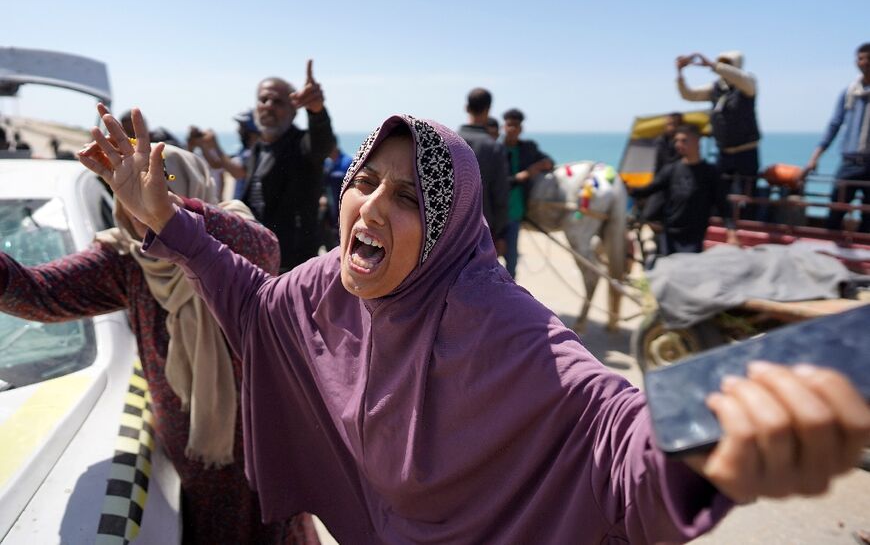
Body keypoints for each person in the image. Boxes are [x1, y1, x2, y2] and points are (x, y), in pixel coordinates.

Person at [81, 107, 870, 544]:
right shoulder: (330, 284)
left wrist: (712, 419)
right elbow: (254, 304)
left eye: (410, 200)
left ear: (452, 226)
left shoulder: (490, 316)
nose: (373, 208)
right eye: (367, 182)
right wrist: (168, 224)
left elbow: (607, 423)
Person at [0, 119, 318, 544]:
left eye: (162, 183)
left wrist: (168, 213)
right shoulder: (127, 261)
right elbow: (38, 294)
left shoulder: (232, 234)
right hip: (197, 458)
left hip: (266, 444)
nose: (142, 204)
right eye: (135, 191)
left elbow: (266, 252)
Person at [240, 61, 335, 273]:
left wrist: (317, 112)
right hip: (257, 258)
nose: (268, 105)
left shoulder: (301, 145)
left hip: (292, 265)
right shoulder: (257, 150)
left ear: (294, 110)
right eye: (263, 99)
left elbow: (321, 144)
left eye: (278, 101)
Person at [629, 125, 739, 256]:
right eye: (676, 140)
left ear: (697, 141)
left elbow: (723, 206)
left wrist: (731, 234)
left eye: (684, 140)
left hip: (694, 237)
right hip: (669, 235)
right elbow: (648, 190)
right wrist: (628, 189)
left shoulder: (710, 173)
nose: (678, 144)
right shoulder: (670, 170)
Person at [676, 51, 761, 203]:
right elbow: (689, 95)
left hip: (746, 152)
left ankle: (747, 221)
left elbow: (740, 78)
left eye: (727, 64)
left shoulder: (748, 84)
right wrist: (680, 73)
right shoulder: (716, 88)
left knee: (748, 195)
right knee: (720, 192)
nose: (723, 68)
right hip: (724, 152)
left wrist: (712, 65)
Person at [804, 42, 870, 233]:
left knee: (868, 217)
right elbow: (834, 125)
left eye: (868, 59)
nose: (864, 63)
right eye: (860, 58)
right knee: (836, 208)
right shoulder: (850, 92)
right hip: (849, 161)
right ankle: (829, 251)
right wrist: (814, 158)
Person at [501, 107, 554, 277]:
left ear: (521, 128)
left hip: (515, 213)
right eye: (509, 125)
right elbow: (496, 183)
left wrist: (538, 167)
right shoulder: (495, 149)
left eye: (515, 125)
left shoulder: (528, 148)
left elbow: (549, 162)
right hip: (494, 213)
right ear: (504, 126)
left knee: (512, 259)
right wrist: (523, 176)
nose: (512, 129)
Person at [458, 88, 510, 247]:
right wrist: (500, 233)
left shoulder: (446, 142)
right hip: (482, 233)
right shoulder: (494, 148)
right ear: (488, 110)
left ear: (466, 108)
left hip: (449, 233)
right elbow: (500, 197)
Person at [640, 112, 684, 223]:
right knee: (648, 215)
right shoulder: (660, 141)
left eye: (674, 124)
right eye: (669, 124)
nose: (671, 127)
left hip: (679, 186)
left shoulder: (683, 143)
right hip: (661, 184)